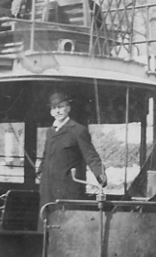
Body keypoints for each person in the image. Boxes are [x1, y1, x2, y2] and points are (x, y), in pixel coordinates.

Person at [36, 90, 107, 226]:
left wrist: (100, 174)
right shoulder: (50, 131)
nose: (57, 111)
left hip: (68, 191)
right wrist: (40, 170)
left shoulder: (78, 130)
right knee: (46, 227)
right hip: (47, 189)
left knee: (66, 230)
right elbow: (46, 154)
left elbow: (91, 156)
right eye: (53, 108)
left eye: (61, 107)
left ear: (68, 108)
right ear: (51, 112)